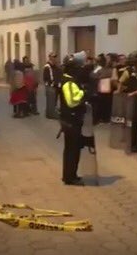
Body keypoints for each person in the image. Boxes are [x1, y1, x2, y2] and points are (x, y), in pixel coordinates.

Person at [59, 52, 87, 186]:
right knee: (72, 149)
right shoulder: (69, 82)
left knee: (71, 149)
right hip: (71, 121)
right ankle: (70, 177)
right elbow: (72, 101)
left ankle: (69, 175)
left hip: (70, 120)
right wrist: (84, 93)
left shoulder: (69, 80)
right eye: (77, 67)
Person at [43, 52, 60, 118]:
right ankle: (50, 114)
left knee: (54, 100)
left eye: (55, 57)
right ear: (50, 57)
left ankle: (52, 112)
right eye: (53, 57)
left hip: (55, 86)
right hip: (50, 86)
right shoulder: (47, 66)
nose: (55, 58)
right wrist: (51, 84)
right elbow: (47, 78)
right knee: (50, 100)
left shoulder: (55, 66)